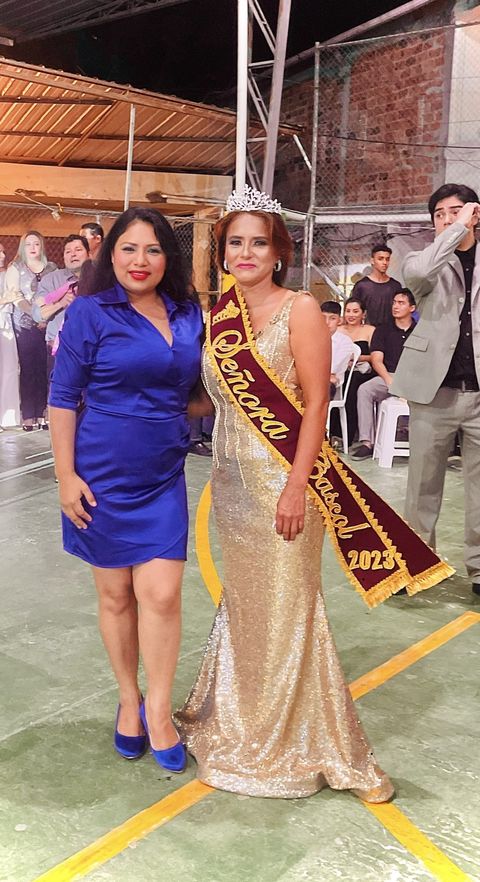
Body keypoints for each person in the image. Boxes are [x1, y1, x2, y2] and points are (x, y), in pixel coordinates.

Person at [175, 187, 394, 803]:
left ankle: (303, 740)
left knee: (290, 609)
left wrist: (297, 487)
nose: (245, 253)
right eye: (235, 243)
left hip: (285, 484)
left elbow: (317, 404)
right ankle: (239, 719)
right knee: (247, 609)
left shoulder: (299, 308)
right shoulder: (221, 316)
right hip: (232, 489)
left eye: (258, 242)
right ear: (223, 252)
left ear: (278, 252)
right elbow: (212, 402)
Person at [49, 207, 203, 771]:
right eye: (129, 249)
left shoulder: (190, 314)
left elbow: (201, 392)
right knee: (116, 596)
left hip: (162, 475)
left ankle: (158, 709)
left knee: (161, 596)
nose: (141, 261)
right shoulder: (90, 312)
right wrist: (66, 476)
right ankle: (128, 699)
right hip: (100, 476)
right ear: (110, 255)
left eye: (153, 250)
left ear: (168, 258)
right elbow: (62, 397)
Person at [391, 183, 480, 598]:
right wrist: (455, 231)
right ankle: (416, 563)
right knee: (422, 485)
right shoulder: (420, 259)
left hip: (478, 393)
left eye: (456, 211)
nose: (447, 218)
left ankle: (479, 568)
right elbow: (417, 276)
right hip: (433, 390)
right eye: (440, 214)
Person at [352, 289, 416, 460]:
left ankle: (419, 440)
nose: (395, 306)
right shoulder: (383, 330)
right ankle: (367, 442)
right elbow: (376, 360)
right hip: (388, 376)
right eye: (394, 302)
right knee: (365, 390)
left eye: (401, 303)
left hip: (414, 379)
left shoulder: (420, 331)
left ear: (412, 308)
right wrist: (389, 379)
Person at [3, 231, 57, 430]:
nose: (33, 247)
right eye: (28, 244)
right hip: (24, 325)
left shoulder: (52, 268)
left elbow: (56, 293)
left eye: (36, 243)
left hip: (48, 324)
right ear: (22, 247)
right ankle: (28, 414)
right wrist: (35, 314)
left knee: (45, 368)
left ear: (41, 245)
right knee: (28, 369)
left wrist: (45, 316)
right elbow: (15, 295)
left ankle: (43, 412)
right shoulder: (16, 267)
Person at [32, 235, 91, 371]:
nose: (73, 254)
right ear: (63, 257)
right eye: (68, 251)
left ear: (89, 254)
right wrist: (61, 303)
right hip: (58, 349)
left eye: (78, 250)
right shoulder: (51, 280)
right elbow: (37, 315)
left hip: (92, 348)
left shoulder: (100, 280)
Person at [333, 297, 376, 447]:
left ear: (363, 314)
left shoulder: (370, 330)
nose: (351, 315)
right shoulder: (338, 330)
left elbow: (375, 356)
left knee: (351, 381)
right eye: (348, 311)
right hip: (341, 369)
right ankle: (331, 432)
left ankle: (346, 435)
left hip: (363, 371)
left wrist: (356, 357)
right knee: (336, 381)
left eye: (355, 311)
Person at [351, 244, 402, 326]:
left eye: (387, 259)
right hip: (367, 331)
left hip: (391, 331)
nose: (384, 262)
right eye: (380, 259)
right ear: (372, 261)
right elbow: (353, 311)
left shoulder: (396, 286)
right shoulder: (362, 286)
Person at [0, 241, 21, 429]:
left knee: (9, 370)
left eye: (3, 252)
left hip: (7, 325)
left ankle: (7, 416)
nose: (2, 256)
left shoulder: (9, 274)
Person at [320, 300, 357, 399]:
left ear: (339, 320)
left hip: (329, 384)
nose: (327, 322)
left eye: (332, 318)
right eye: (323, 318)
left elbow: (333, 368)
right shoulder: (311, 338)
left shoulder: (345, 341)